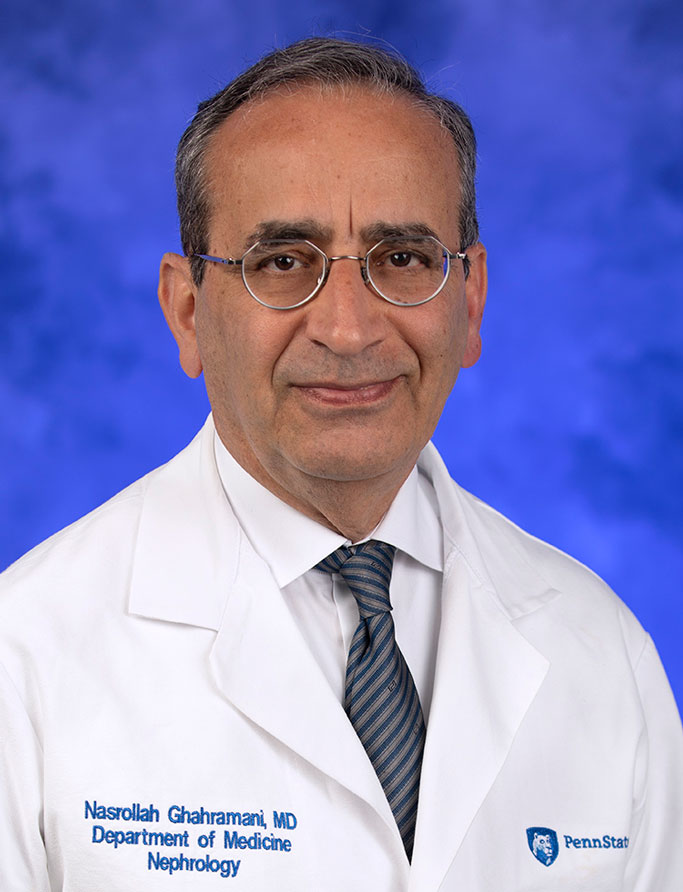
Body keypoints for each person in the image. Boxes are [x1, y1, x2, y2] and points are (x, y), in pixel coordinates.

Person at [0, 37, 681, 892]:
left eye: (403, 258)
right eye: (283, 263)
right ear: (185, 312)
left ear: (468, 302)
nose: (350, 329)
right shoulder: (23, 659)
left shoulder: (600, 649)